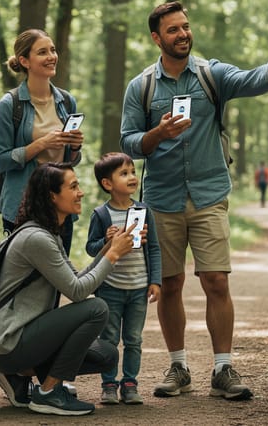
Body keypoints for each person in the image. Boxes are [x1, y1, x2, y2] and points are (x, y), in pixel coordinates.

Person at [119, 1, 268, 401]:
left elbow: (253, 80)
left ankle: (224, 368)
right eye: (173, 30)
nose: (183, 34)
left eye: (186, 27)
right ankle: (179, 367)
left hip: (209, 194)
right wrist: (157, 134)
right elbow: (128, 142)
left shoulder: (212, 75)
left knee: (216, 281)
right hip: (161, 199)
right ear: (157, 38)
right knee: (170, 285)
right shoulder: (142, 86)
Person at [0, 162, 137, 416]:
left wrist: (108, 248)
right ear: (52, 196)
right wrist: (113, 256)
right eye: (73, 186)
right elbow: (77, 292)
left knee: (106, 356)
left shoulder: (49, 234)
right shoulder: (37, 239)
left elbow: (76, 278)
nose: (81, 192)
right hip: (9, 342)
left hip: (18, 338)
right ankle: (48, 392)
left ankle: (20, 376)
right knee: (97, 308)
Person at [0, 29, 84, 254]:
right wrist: (41, 144)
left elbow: (72, 159)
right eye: (42, 52)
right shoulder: (9, 105)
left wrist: (75, 147)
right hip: (23, 207)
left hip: (61, 205)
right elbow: (0, 161)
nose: (51, 56)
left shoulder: (67, 101)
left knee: (56, 283)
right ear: (24, 61)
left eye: (52, 50)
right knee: (24, 283)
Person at [85, 152, 162, 406]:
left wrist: (156, 280)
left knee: (134, 339)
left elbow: (153, 248)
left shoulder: (143, 210)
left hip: (138, 287)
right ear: (107, 183)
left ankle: (130, 383)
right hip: (110, 288)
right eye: (124, 173)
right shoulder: (101, 214)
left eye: (132, 172)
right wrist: (106, 240)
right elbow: (90, 248)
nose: (132, 177)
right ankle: (108, 384)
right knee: (108, 339)